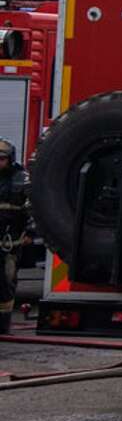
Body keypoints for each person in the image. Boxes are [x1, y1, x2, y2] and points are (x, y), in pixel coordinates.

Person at [0, 139, 26, 335]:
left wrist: (32, 234)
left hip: (11, 241)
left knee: (7, 280)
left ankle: (3, 323)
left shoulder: (22, 179)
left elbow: (35, 208)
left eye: (1, 158)